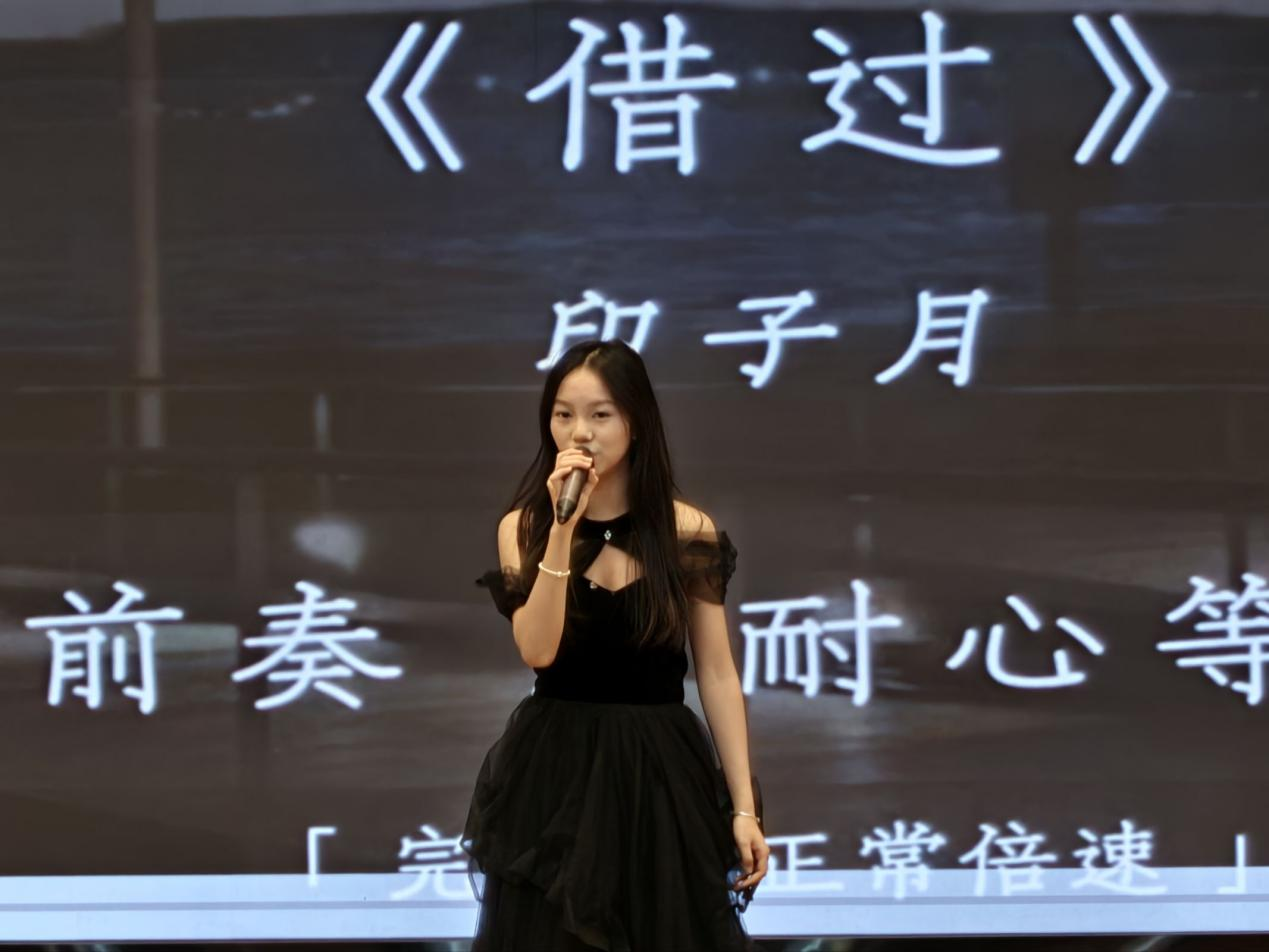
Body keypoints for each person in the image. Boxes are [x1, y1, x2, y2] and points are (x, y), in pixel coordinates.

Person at [464, 338, 768, 950]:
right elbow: (538, 651)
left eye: (600, 414)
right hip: (555, 770)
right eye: (563, 414)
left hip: (659, 772)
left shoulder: (686, 530)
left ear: (636, 421)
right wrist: (561, 531)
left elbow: (716, 673)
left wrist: (743, 808)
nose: (580, 432)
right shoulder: (524, 527)